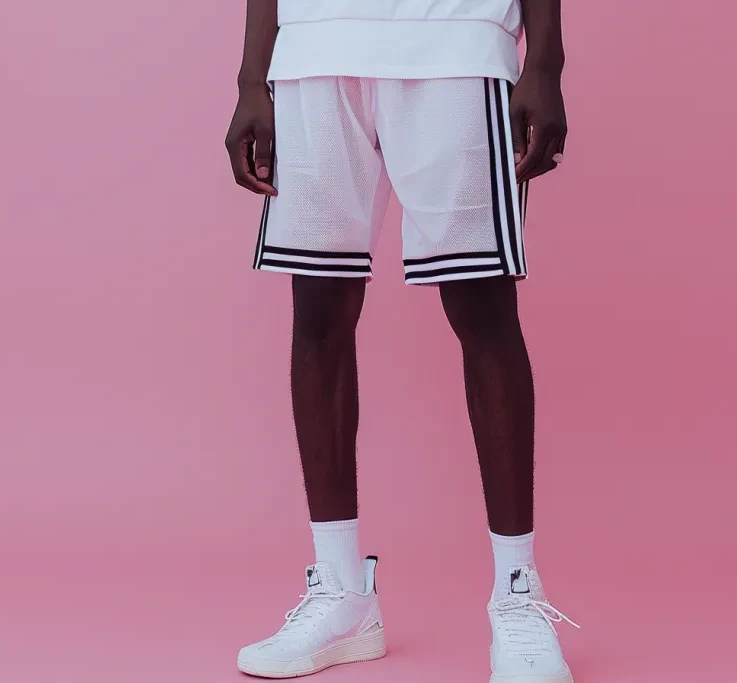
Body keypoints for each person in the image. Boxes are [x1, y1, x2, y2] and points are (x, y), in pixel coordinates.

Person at [225, 1, 576, 680]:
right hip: (312, 52)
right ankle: (341, 592)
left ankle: (517, 594)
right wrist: (250, 80)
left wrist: (545, 63)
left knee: (484, 309)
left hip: (459, 45)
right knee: (318, 312)